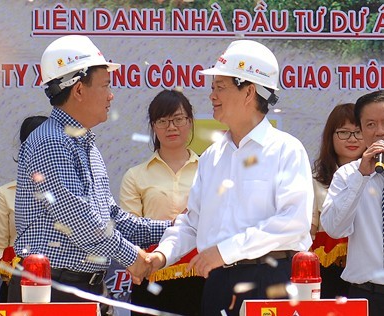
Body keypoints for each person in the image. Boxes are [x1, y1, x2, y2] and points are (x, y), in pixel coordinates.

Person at [146, 40, 314, 315]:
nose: (212, 96)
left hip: (270, 281)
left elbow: (292, 222)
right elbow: (192, 222)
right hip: (219, 283)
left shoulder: (286, 149)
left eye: (220, 87)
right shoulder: (212, 157)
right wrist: (161, 255)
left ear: (249, 92)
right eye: (213, 88)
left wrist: (226, 250)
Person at [7, 35, 170, 315]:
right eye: (106, 85)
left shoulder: (84, 144)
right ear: (79, 90)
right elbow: (80, 221)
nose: (111, 95)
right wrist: (133, 257)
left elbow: (112, 218)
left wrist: (176, 227)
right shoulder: (52, 142)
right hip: (51, 290)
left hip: (83, 289)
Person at [120, 89, 205, 315]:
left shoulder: (209, 170)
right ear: (153, 126)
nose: (171, 127)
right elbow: (130, 231)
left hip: (201, 275)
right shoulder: (136, 175)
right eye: (163, 120)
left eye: (178, 119)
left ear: (190, 121)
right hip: (152, 276)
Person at [321, 90, 384, 316]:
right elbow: (335, 229)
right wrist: (361, 176)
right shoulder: (347, 175)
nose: (379, 132)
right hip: (366, 295)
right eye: (370, 124)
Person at [0, 115, 47, 302]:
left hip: (62, 286)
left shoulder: (71, 193)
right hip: (17, 288)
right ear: (24, 149)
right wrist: (10, 268)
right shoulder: (5, 194)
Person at [311, 103, 366, 299]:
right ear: (330, 137)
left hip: (369, 272)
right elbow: (308, 234)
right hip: (328, 271)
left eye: (358, 132)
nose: (352, 139)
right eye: (343, 132)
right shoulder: (314, 183)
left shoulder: (378, 179)